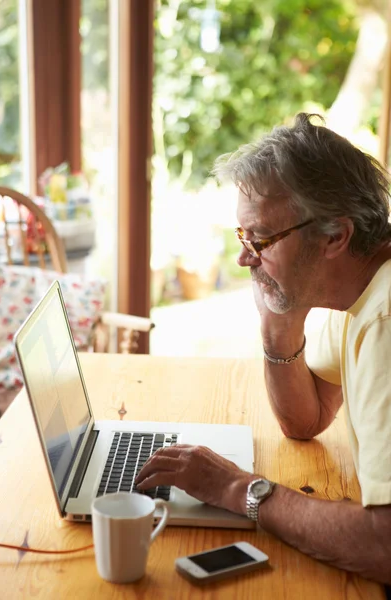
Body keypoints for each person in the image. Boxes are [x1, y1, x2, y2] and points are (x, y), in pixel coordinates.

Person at [136, 113, 391, 585]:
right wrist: (277, 319)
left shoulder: (384, 323)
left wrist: (237, 488)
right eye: (243, 236)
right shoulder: (356, 287)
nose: (243, 256)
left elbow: (384, 544)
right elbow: (305, 420)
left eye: (261, 238)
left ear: (335, 236)